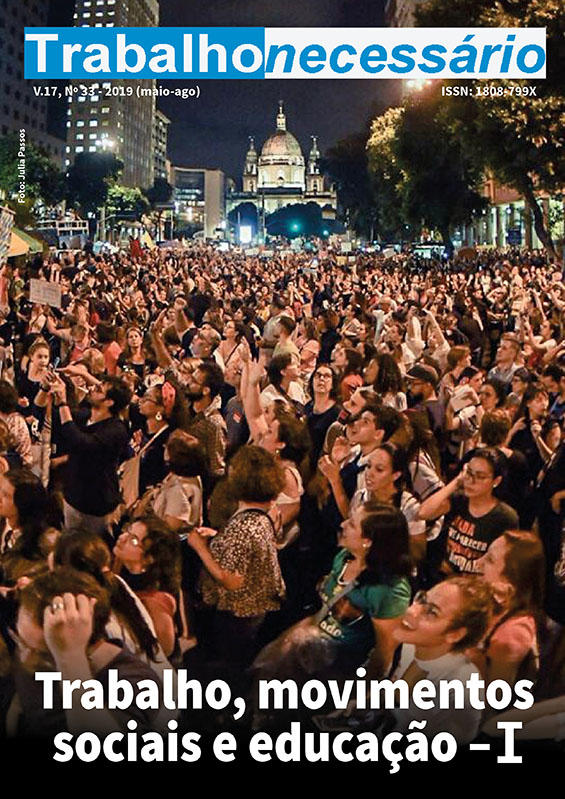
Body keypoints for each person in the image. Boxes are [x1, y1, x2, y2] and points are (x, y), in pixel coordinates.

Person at [253, 502, 412, 684]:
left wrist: (357, 694)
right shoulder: (344, 557)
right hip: (308, 651)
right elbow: (326, 608)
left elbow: (384, 653)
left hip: (339, 671)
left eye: (352, 524)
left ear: (367, 541)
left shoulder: (388, 590)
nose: (343, 525)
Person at [11, 568, 165, 736]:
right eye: (22, 643)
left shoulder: (134, 682)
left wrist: (70, 659)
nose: (26, 657)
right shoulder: (32, 662)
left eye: (41, 653)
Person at [187, 445, 286, 668]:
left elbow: (230, 580)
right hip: (258, 609)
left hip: (239, 615)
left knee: (230, 667)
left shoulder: (243, 528)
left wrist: (200, 547)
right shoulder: (265, 514)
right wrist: (218, 537)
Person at [389, 576, 492, 743]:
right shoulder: (413, 644)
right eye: (422, 599)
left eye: (431, 612)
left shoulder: (462, 685)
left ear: (456, 634)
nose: (412, 611)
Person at [48, 373, 131, 535]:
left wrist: (63, 402)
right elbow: (64, 421)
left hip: (96, 505)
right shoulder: (86, 415)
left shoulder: (116, 430)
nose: (92, 388)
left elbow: (81, 443)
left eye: (98, 389)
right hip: (73, 497)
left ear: (109, 402)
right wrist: (56, 393)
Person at [419, 448, 519, 578]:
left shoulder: (505, 517)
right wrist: (457, 481)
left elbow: (505, 565)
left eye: (480, 477)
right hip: (447, 579)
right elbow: (424, 512)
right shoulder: (459, 500)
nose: (471, 481)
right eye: (469, 473)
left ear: (496, 481)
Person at [471, 530, 543, 687]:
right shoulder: (489, 602)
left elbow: (495, 700)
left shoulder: (513, 633)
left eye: (489, 560)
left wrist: (474, 657)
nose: (478, 562)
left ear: (510, 580)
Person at [113, 516, 181, 658]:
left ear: (149, 559)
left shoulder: (155, 600)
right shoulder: (119, 568)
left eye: (133, 540)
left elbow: (163, 651)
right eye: (127, 530)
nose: (122, 538)